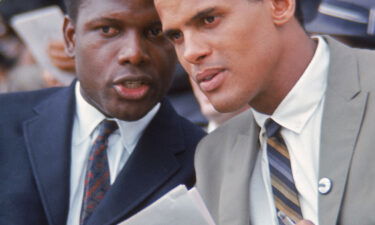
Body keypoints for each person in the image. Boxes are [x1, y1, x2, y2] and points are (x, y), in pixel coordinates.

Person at [154, 0, 375, 224]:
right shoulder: (213, 156)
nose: (190, 53)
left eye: (209, 20)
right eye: (176, 37)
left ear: (280, 5)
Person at [0, 0, 205, 224]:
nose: (134, 53)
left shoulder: (204, 162)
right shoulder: (5, 120)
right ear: (70, 37)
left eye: (156, 32)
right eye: (108, 30)